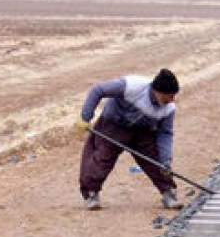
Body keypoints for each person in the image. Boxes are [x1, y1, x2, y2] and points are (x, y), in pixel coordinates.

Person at [76, 68, 183, 211]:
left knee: (156, 161)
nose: (172, 100)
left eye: (173, 96)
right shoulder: (132, 86)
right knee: (102, 158)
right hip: (114, 125)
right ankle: (91, 193)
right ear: (157, 91)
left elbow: (166, 134)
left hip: (143, 131)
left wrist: (166, 160)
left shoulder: (168, 109)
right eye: (169, 96)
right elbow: (98, 90)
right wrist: (85, 117)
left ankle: (168, 193)